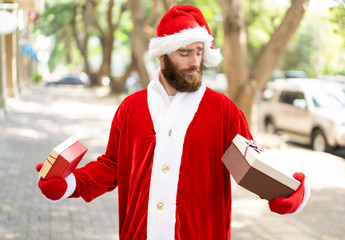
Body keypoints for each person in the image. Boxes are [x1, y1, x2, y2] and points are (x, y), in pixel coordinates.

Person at [36, 5, 310, 240]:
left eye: (200, 52)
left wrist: (286, 192)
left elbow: (251, 164)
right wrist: (71, 183)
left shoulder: (224, 111)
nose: (195, 62)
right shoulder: (130, 108)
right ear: (162, 55)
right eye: (184, 53)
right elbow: (112, 166)